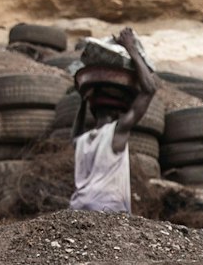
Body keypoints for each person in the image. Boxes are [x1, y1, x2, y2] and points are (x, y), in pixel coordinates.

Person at [69, 29, 160, 213]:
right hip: (107, 209)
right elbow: (149, 90)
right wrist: (131, 49)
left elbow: (75, 129)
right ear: (121, 108)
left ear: (93, 109)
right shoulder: (116, 131)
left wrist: (83, 97)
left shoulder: (81, 141)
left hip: (77, 208)